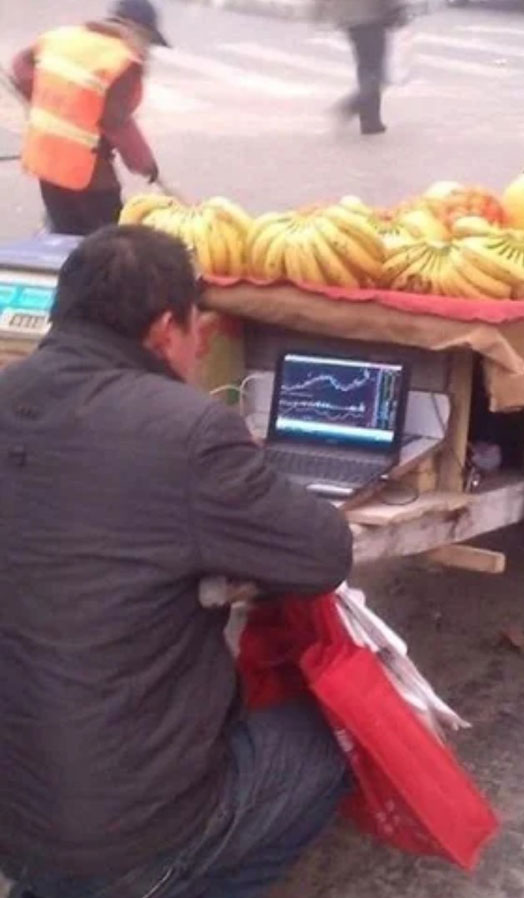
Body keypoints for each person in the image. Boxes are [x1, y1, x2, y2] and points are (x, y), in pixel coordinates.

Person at [0, 226, 353, 898]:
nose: (201, 349)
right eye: (199, 331)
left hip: (14, 818)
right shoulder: (188, 430)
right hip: (125, 831)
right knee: (327, 744)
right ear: (166, 330)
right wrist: (244, 472)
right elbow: (323, 553)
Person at [10, 0, 167, 235]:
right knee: (109, 237)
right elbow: (117, 122)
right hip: (86, 171)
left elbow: (21, 66)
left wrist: (50, 99)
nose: (147, 50)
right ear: (137, 30)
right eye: (148, 41)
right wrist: (144, 163)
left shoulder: (64, 37)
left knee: (64, 229)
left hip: (46, 160)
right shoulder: (122, 61)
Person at [323, 0, 408, 135]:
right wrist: (396, 9)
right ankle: (354, 106)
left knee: (366, 68)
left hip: (351, 21)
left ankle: (370, 119)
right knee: (376, 73)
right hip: (372, 19)